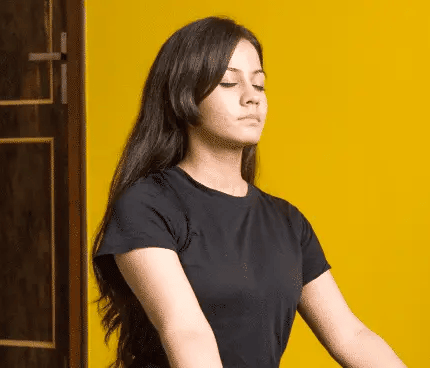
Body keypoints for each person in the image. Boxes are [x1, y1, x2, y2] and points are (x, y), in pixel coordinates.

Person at [90, 16, 406, 368]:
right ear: (185, 96)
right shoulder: (147, 206)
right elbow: (185, 331)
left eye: (259, 85)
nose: (251, 98)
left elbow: (350, 336)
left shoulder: (287, 222)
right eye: (229, 82)